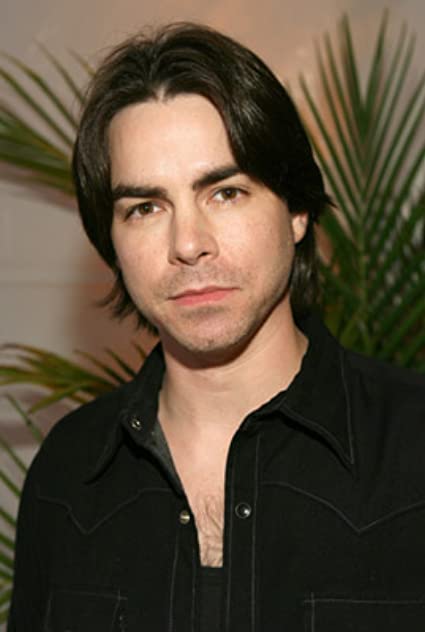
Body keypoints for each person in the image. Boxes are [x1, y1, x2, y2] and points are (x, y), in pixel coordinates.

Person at [8, 23, 425, 632]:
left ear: (297, 210)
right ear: (112, 242)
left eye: (225, 193)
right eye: (146, 208)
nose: (188, 244)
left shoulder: (413, 447)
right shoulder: (66, 474)